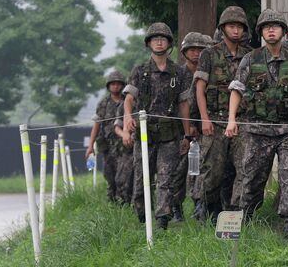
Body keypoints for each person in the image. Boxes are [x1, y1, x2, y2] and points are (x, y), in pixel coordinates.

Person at [225, 9, 288, 239]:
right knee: (252, 177)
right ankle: (245, 217)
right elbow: (237, 90)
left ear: (283, 30)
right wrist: (232, 120)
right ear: (261, 32)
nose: (271, 29)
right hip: (257, 130)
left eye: (276, 26)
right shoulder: (250, 59)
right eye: (266, 26)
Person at [122, 22, 193, 230]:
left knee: (166, 178)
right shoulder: (140, 71)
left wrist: (187, 135)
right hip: (144, 134)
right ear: (149, 43)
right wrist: (127, 118)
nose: (159, 41)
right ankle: (143, 216)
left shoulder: (179, 73)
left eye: (163, 38)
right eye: (155, 38)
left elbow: (183, 105)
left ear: (169, 43)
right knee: (141, 178)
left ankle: (163, 218)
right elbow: (128, 99)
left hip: (169, 134)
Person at [193, 6, 253, 221]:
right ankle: (208, 210)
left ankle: (236, 213)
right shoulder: (209, 54)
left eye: (239, 26)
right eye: (231, 26)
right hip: (215, 120)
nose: (235, 30)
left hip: (243, 121)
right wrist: (204, 119)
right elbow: (199, 89)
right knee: (212, 172)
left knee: (244, 169)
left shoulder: (250, 55)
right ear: (223, 28)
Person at [169, 32, 212, 221]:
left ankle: (200, 205)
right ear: (184, 52)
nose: (196, 53)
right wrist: (188, 128)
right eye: (192, 49)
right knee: (178, 171)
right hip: (180, 130)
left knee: (202, 167)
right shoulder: (178, 74)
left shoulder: (210, 71)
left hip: (205, 126)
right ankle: (175, 206)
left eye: (200, 50)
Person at [86, 70, 126, 203]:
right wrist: (90, 146)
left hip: (125, 144)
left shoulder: (127, 101)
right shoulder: (103, 104)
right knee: (110, 175)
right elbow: (96, 125)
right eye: (113, 84)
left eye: (118, 84)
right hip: (108, 146)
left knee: (124, 174)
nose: (115, 86)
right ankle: (112, 202)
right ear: (108, 86)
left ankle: (125, 200)